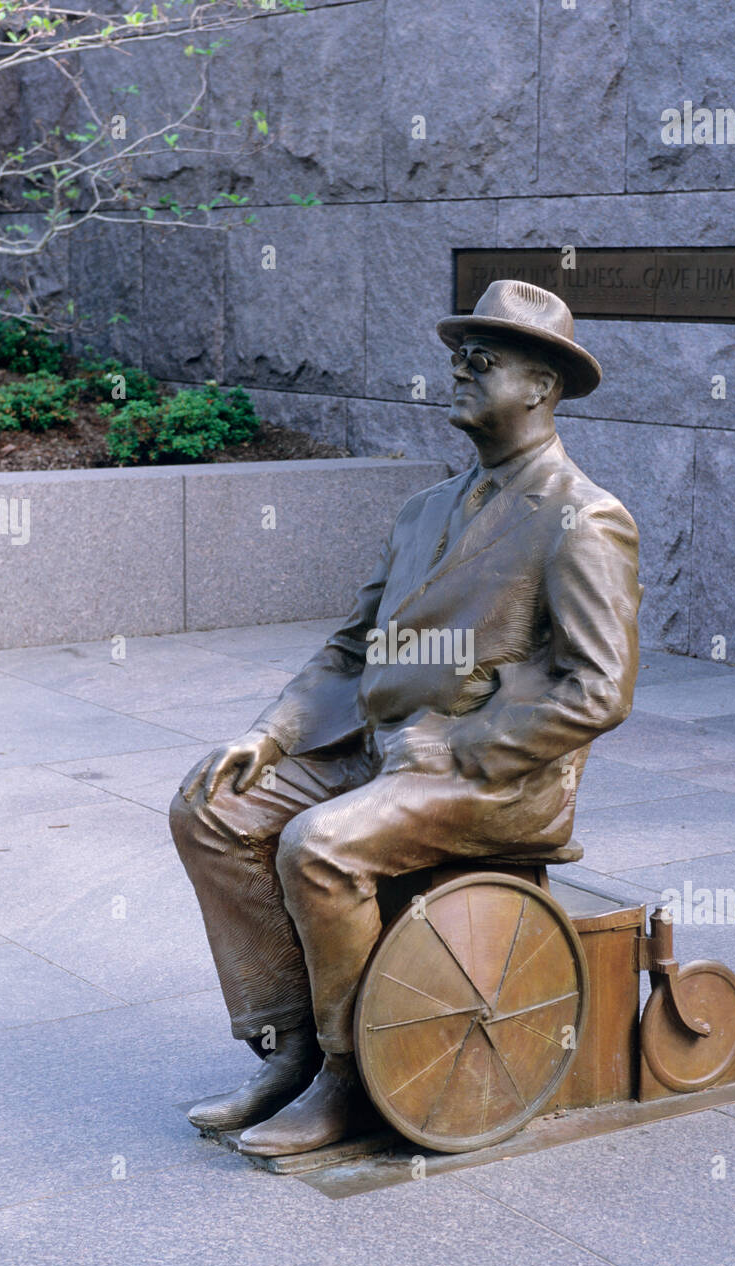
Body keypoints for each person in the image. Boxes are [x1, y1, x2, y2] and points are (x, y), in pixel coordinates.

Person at [170, 279, 642, 1156]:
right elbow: (350, 651)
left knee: (318, 844)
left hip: (495, 778)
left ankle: (349, 1078)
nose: (458, 372)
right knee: (212, 807)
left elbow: (599, 688)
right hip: (382, 752)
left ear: (540, 386)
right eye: (456, 358)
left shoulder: (583, 518)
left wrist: (458, 744)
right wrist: (268, 734)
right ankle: (289, 1044)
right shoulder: (423, 509)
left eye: (482, 360)